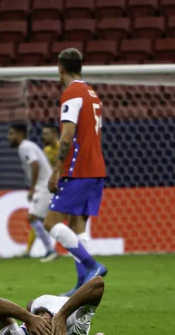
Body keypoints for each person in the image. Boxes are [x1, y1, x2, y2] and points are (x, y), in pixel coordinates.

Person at [43, 48, 108, 296]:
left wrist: (56, 171)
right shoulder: (92, 93)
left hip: (77, 169)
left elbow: (67, 135)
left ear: (60, 67)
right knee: (77, 224)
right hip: (95, 169)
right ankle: (83, 283)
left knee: (51, 222)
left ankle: (92, 266)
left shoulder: (71, 93)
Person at [0, 276, 114, 335]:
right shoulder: (74, 329)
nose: (44, 318)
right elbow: (97, 284)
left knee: (31, 306)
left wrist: (29, 318)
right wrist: (63, 315)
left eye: (42, 327)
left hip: (36, 309)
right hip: (70, 308)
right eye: (49, 326)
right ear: (61, 332)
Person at [8, 123, 58, 262]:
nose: (9, 137)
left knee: (33, 217)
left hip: (44, 186)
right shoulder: (27, 146)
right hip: (44, 185)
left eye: (11, 133)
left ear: (19, 134)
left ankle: (51, 251)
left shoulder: (25, 147)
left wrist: (32, 187)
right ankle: (45, 250)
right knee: (40, 219)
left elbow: (34, 164)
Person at [24, 123, 60, 257]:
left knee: (40, 217)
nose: (43, 136)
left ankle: (77, 249)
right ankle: (29, 250)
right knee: (37, 217)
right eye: (43, 133)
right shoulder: (45, 152)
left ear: (55, 134)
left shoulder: (64, 149)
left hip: (65, 188)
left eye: (46, 133)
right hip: (51, 189)